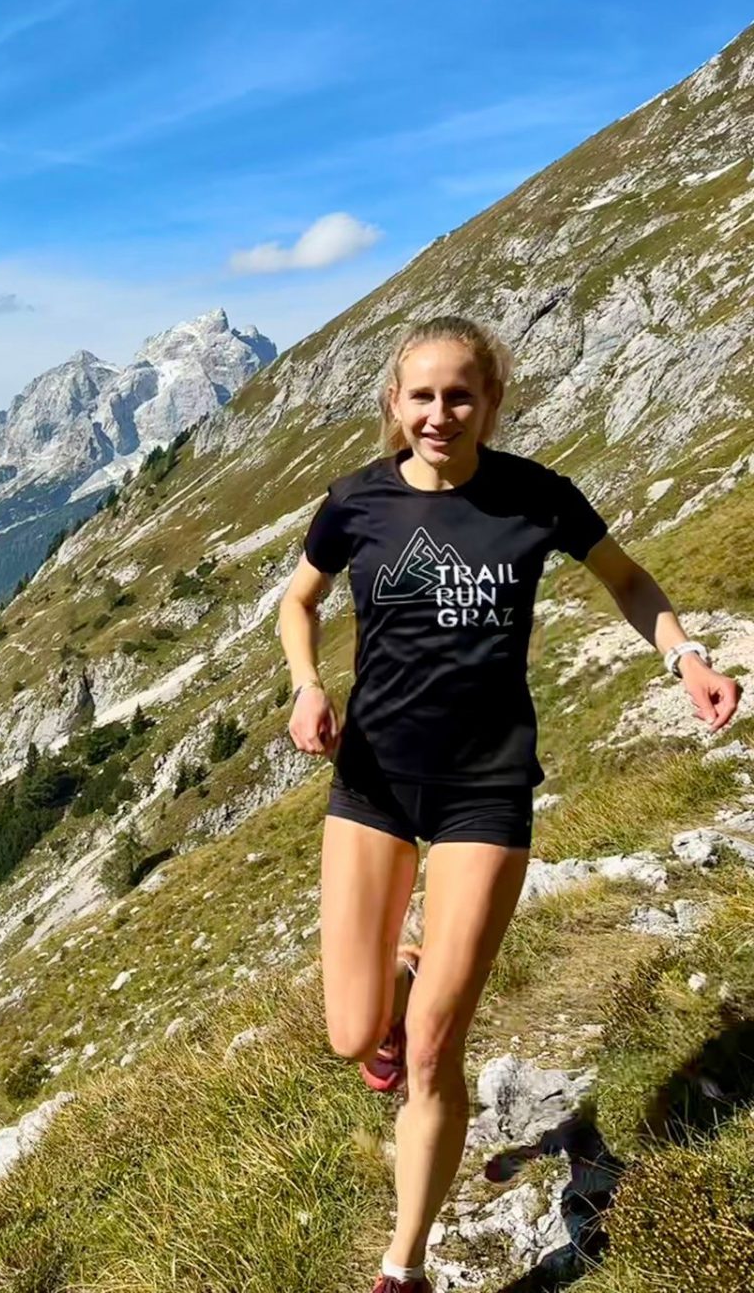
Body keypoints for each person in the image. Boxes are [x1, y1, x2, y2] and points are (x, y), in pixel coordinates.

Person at [276, 315, 741, 1293]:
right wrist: (306, 684)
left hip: (487, 789)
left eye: (459, 395)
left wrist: (684, 656)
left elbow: (627, 579)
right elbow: (299, 599)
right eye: (421, 397)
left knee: (438, 1053)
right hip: (371, 783)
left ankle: (402, 1269)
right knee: (354, 1035)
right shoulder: (357, 501)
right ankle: (397, 985)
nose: (439, 414)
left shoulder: (535, 498)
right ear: (394, 408)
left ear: (489, 401)